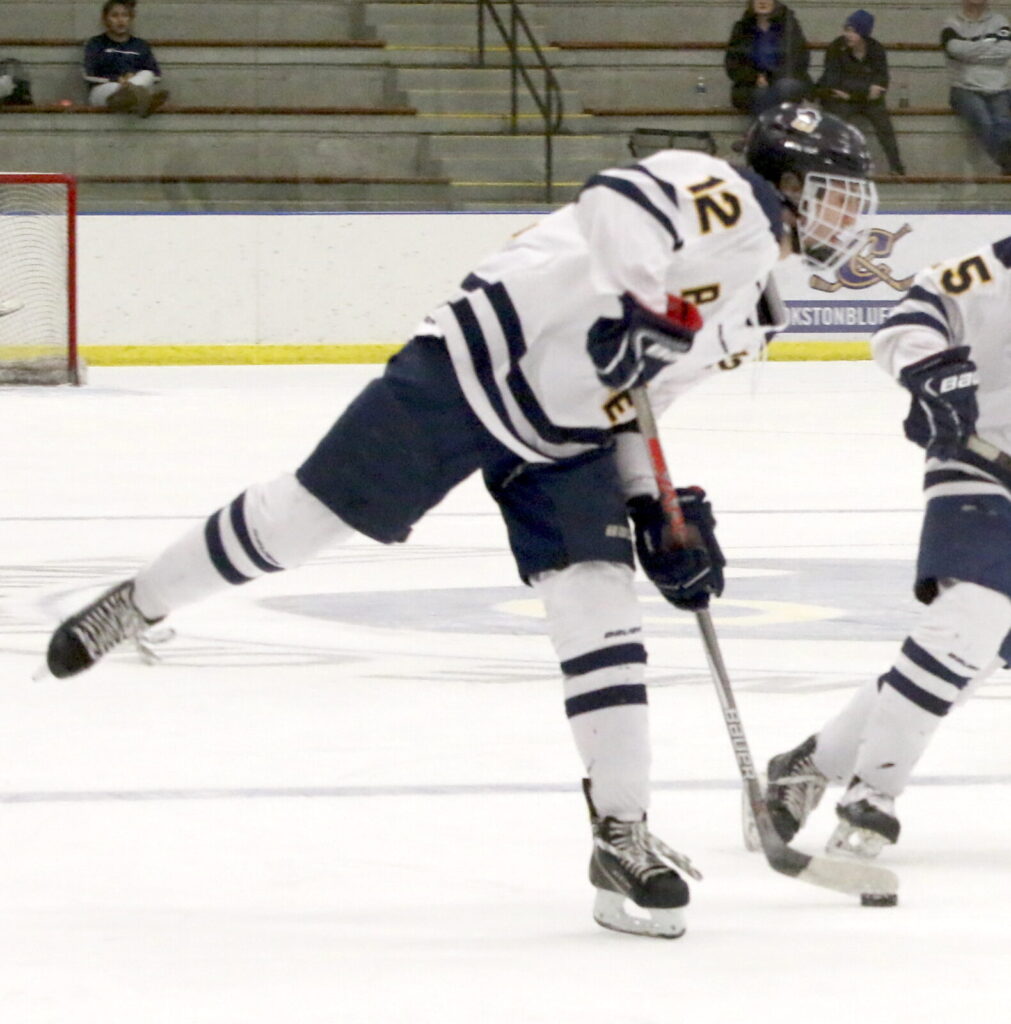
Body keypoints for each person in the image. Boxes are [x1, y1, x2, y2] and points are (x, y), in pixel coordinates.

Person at [39, 104, 878, 939]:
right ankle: (139, 601)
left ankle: (619, 833)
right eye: (840, 192)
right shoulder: (723, 192)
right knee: (305, 520)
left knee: (599, 603)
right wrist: (641, 304)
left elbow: (640, 401)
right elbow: (614, 202)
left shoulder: (754, 310)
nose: (853, 213)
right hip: (478, 363)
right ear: (789, 181)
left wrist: (654, 505)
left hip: (566, 436)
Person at [765, 233, 1011, 860]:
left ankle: (808, 763)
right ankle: (873, 794)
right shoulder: (990, 269)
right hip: (980, 468)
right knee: (972, 617)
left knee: (970, 656)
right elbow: (909, 321)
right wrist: (936, 375)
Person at [817, 10, 906, 176]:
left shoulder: (876, 49)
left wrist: (853, 93)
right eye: (846, 30)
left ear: (864, 33)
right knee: (834, 122)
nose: (848, 35)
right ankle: (828, 164)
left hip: (863, 99)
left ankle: (896, 165)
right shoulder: (836, 48)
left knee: (883, 123)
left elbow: (882, 80)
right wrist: (865, 90)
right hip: (841, 99)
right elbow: (834, 81)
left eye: (853, 31)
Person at [941, 0, 1011, 173]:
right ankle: (1007, 163)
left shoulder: (1000, 21)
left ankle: (1007, 163)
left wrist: (970, 51)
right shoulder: (951, 24)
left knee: (1003, 123)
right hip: (964, 87)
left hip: (999, 86)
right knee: (983, 120)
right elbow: (954, 49)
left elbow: (1006, 50)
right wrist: (988, 46)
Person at [724, 0, 813, 117]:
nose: (762, 2)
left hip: (787, 78)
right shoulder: (742, 29)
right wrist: (755, 77)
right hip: (751, 83)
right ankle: (770, 131)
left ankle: (773, 129)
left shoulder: (789, 25)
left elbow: (799, 59)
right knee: (760, 93)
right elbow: (733, 64)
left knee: (784, 88)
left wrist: (771, 78)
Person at [84, 1, 168, 118]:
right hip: (105, 90)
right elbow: (89, 75)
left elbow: (156, 75)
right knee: (117, 89)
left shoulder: (141, 45)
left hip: (135, 84)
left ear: (131, 19)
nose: (120, 20)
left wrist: (131, 80)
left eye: (125, 15)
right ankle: (143, 100)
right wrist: (118, 80)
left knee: (147, 74)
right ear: (105, 19)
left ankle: (134, 97)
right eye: (115, 16)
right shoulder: (95, 43)